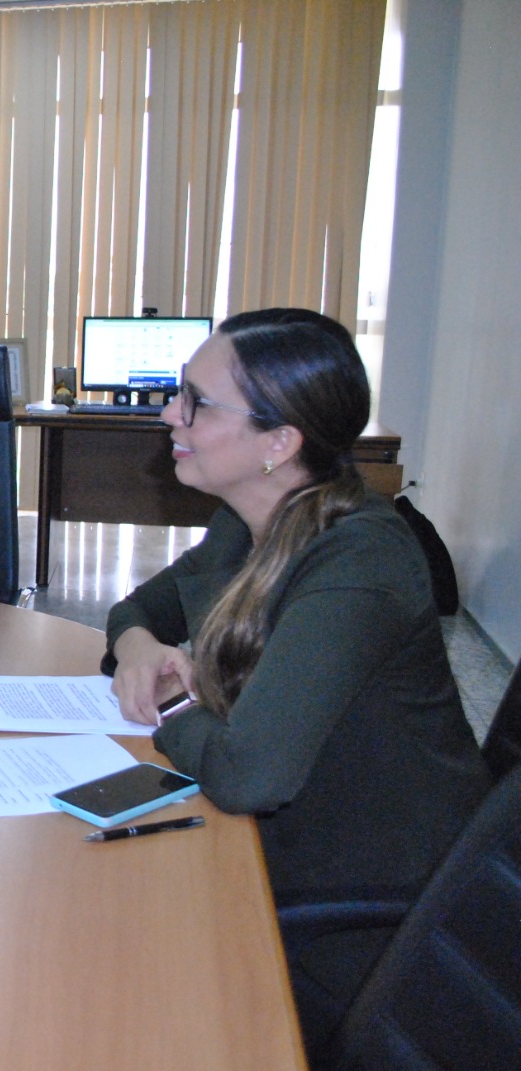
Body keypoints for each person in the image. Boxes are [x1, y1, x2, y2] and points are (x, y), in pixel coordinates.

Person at [102, 307, 490, 1053]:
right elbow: (135, 609)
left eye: (196, 402)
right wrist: (142, 647)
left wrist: (172, 698)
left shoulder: (361, 558)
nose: (169, 413)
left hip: (377, 909)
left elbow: (248, 773)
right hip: (280, 833)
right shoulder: (248, 521)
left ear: (279, 443)